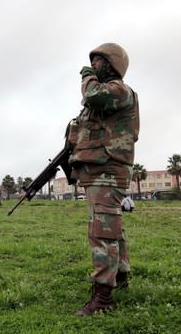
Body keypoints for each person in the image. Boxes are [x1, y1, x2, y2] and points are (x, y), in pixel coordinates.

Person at [66, 43, 140, 316]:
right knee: (111, 230)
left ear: (113, 65)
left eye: (98, 61)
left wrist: (87, 77)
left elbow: (93, 94)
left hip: (109, 172)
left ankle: (103, 297)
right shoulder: (105, 99)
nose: (92, 65)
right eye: (92, 62)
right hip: (100, 172)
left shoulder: (119, 91)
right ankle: (119, 277)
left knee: (102, 231)